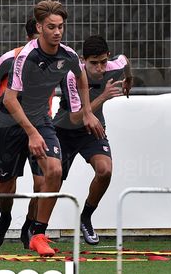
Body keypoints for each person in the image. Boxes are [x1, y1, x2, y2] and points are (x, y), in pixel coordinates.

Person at [0, 0, 104, 257]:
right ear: (40, 28)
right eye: (51, 27)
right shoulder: (23, 56)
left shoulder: (68, 55)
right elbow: (8, 99)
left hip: (41, 119)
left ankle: (38, 234)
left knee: (53, 171)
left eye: (61, 27)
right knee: (6, 186)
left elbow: (81, 77)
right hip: (10, 122)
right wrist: (30, 133)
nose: (57, 32)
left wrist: (87, 111)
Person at [0, 17, 50, 249]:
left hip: (38, 127)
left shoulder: (57, 58)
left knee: (44, 181)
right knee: (6, 185)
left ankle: (31, 226)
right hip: (8, 129)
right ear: (30, 38)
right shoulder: (11, 58)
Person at [53, 35, 132, 245]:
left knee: (105, 170)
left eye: (103, 62)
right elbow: (76, 117)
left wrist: (129, 80)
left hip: (93, 130)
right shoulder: (72, 75)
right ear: (82, 60)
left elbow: (125, 60)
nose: (100, 68)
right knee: (51, 182)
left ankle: (86, 217)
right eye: (93, 63)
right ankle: (33, 227)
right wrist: (103, 96)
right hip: (65, 130)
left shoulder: (113, 66)